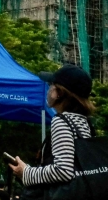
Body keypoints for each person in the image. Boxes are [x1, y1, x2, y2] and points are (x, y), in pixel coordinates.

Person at [8, 64, 95, 192]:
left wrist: (26, 172)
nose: (49, 89)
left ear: (59, 93)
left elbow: (63, 170)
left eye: (51, 85)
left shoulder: (62, 122)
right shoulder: (85, 123)